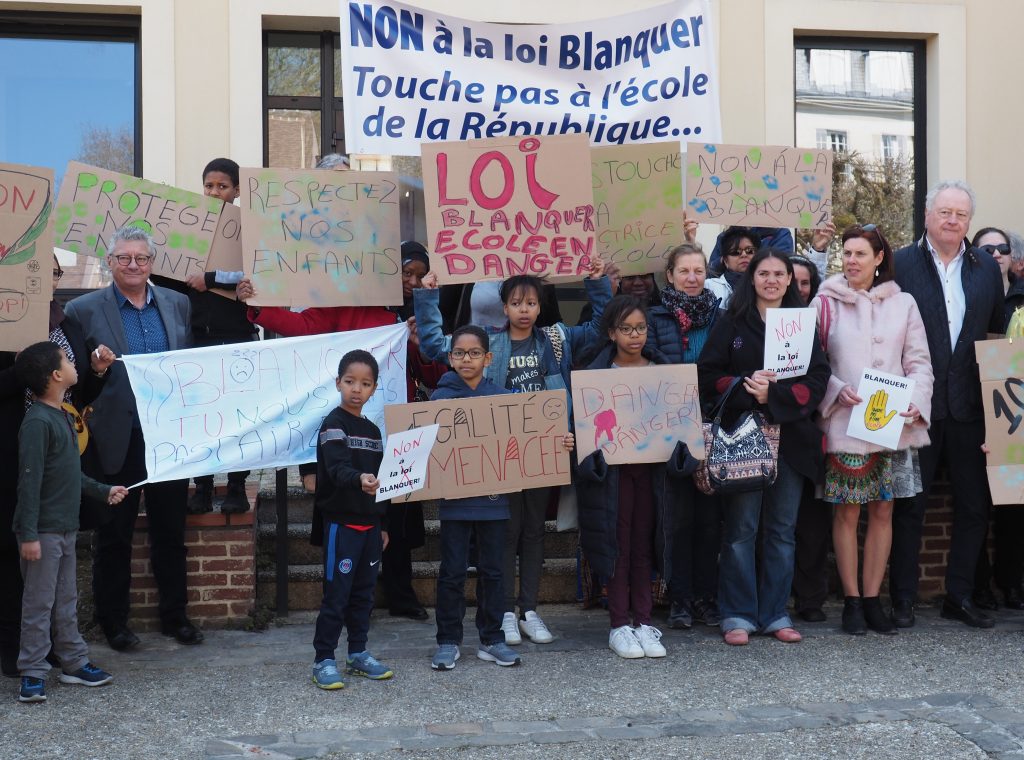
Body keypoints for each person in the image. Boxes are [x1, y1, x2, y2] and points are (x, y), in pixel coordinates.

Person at [416, 260, 611, 647]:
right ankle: (504, 611)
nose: (525, 309)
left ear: (541, 307)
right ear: (503, 307)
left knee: (536, 530)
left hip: (545, 450)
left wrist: (597, 281)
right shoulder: (488, 343)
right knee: (506, 531)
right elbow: (435, 344)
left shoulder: (556, 339)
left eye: (532, 302)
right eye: (517, 302)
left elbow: (601, 328)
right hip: (501, 452)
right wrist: (427, 296)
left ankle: (530, 610)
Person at [64, 225, 203, 650]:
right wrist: (98, 369)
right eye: (124, 258)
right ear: (110, 263)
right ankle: (113, 622)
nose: (133, 265)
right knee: (114, 534)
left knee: (169, 531)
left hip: (168, 436)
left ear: (152, 263)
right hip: (115, 436)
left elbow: (190, 367)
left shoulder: (178, 303)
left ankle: (175, 617)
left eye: (141, 258)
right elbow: (76, 385)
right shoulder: (82, 310)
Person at [698, 248, 830, 646]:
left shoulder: (803, 325)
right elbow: (708, 376)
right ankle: (736, 614)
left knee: (781, 531)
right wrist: (744, 388)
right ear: (751, 278)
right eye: (764, 273)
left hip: (790, 441)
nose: (771, 280)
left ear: (790, 280)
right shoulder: (732, 322)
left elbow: (818, 379)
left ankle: (775, 613)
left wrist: (774, 397)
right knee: (741, 530)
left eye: (779, 274)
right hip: (743, 439)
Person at [889, 180, 1005, 629]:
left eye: (960, 214)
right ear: (927, 215)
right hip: (915, 407)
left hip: (970, 409)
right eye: (945, 212)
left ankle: (958, 595)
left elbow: (995, 339)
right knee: (909, 506)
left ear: (969, 222)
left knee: (975, 506)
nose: (953, 220)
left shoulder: (985, 271)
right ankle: (902, 598)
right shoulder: (899, 263)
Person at [426, 326, 573, 670]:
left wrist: (558, 443)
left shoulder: (504, 400)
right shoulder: (438, 401)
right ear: (450, 357)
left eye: (474, 353)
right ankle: (448, 640)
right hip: (455, 504)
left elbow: (528, 444)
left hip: (495, 502)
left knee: (493, 572)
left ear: (488, 358)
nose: (467, 359)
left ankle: (491, 639)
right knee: (451, 573)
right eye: (459, 353)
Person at [814, 224, 933, 635]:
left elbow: (919, 361)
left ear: (879, 258)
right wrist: (834, 389)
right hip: (846, 422)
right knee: (846, 512)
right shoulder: (824, 302)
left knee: (884, 510)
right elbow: (813, 366)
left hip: (893, 425)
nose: (851, 261)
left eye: (860, 254)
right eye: (846, 253)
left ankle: (872, 598)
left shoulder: (904, 303)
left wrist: (918, 402)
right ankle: (850, 601)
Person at [0, 258, 114, 677]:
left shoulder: (64, 321)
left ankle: (62, 653)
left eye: (51, 272)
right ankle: (18, 651)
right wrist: (22, 369)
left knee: (58, 577)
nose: (43, 279)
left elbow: (78, 386)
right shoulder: (4, 318)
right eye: (35, 270)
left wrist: (97, 373)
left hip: (64, 450)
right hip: (15, 451)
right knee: (15, 560)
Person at [575, 295, 700, 658]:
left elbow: (684, 434)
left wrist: (684, 456)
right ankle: (618, 624)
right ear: (612, 333)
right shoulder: (595, 376)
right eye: (627, 329)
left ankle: (644, 622)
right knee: (617, 546)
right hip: (611, 479)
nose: (635, 335)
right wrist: (587, 457)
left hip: (654, 476)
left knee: (646, 544)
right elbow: (583, 434)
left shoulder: (664, 373)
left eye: (641, 328)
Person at [13, 342, 128, 702]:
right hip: (43, 532)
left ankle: (74, 663)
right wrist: (29, 534)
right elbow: (29, 481)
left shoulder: (63, 413)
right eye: (67, 360)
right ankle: (32, 672)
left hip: (65, 527)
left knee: (66, 599)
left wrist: (103, 490)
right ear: (56, 376)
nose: (74, 362)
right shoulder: (36, 423)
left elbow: (71, 474)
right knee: (38, 603)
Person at [160, 158, 257, 515]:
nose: (214, 192)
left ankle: (235, 484)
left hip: (236, 334)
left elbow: (260, 270)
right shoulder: (186, 226)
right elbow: (168, 277)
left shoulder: (250, 228)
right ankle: (200, 486)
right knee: (199, 412)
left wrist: (211, 278)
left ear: (237, 191)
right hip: (196, 335)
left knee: (238, 412)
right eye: (209, 186)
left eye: (222, 186)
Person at [642, 243, 722, 629]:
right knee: (675, 520)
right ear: (669, 276)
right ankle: (680, 599)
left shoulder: (721, 317)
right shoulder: (653, 317)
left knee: (709, 521)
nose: (692, 278)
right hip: (669, 430)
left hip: (711, 427)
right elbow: (649, 361)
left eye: (699, 271)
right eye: (685, 271)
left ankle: (707, 598)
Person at [310, 350, 394, 690]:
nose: (356, 389)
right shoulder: (333, 424)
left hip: (370, 528)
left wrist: (383, 523)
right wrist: (358, 478)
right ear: (338, 383)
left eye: (365, 384)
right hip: (340, 527)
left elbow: (385, 479)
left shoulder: (374, 431)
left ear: (373, 389)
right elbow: (336, 466)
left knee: (364, 595)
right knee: (336, 595)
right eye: (349, 382)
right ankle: (324, 659)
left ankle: (357, 654)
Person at [971, 226, 1024, 610]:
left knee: (1014, 507)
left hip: (1015, 418)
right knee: (974, 506)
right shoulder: (973, 298)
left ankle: (1013, 583)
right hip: (974, 413)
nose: (995, 254)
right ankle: (981, 586)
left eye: (1001, 248)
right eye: (985, 249)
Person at [787, 253, 829, 623]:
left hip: (815, 430)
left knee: (813, 522)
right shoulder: (759, 320)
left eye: (805, 283)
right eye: (793, 281)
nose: (798, 289)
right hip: (774, 433)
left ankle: (811, 598)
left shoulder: (822, 320)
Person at [705, 228, 760, 309]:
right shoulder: (709, 287)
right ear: (725, 261)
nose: (744, 255)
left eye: (749, 250)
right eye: (736, 252)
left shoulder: (765, 286)